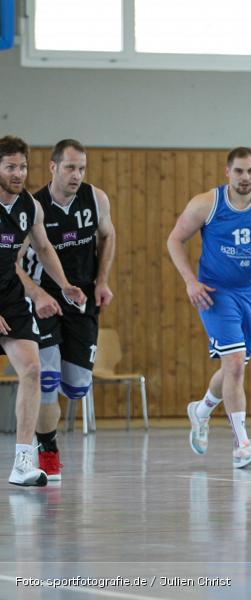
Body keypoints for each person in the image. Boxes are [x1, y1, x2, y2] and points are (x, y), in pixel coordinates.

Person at [167, 147, 251, 469]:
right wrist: (189, 282)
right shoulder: (206, 204)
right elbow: (174, 240)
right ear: (227, 172)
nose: (245, 177)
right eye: (239, 171)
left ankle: (202, 409)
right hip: (215, 292)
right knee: (235, 365)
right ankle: (242, 446)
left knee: (232, 369)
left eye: (250, 171)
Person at [15, 139, 116, 482]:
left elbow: (108, 236)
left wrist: (102, 281)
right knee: (47, 378)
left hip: (81, 300)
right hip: (43, 302)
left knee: (75, 386)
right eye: (70, 167)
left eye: (82, 168)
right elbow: (12, 262)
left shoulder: (96, 199)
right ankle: (47, 447)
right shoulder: (34, 206)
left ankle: (49, 408)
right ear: (53, 167)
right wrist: (38, 293)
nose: (77, 175)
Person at [0, 135, 86, 486]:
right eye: (10, 167)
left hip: (10, 296)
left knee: (33, 369)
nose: (18, 173)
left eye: (22, 166)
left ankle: (22, 462)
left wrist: (64, 284)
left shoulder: (28, 207)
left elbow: (45, 248)